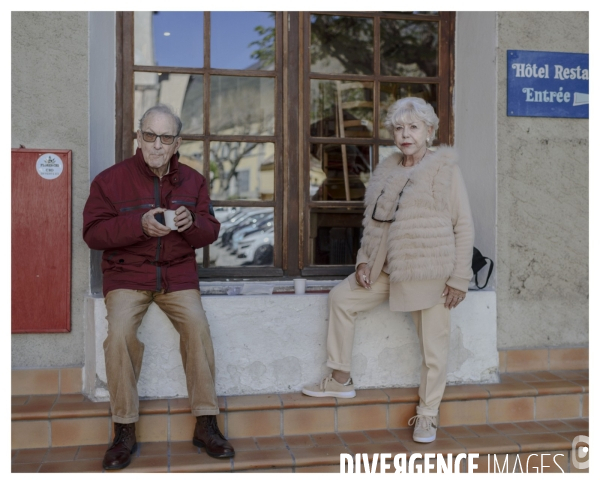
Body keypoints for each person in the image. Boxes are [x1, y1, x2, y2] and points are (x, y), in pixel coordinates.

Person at [301, 97, 474, 444]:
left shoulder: (445, 170)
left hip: (429, 274)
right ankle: (339, 379)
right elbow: (375, 225)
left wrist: (459, 278)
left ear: (429, 130)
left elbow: (464, 225)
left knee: (433, 351)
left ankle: (427, 415)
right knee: (341, 298)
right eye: (398, 128)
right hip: (386, 271)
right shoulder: (388, 169)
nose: (405, 134)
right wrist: (364, 260)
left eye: (413, 127)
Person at [83, 104, 234, 470]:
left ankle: (206, 422)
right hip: (127, 275)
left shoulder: (194, 181)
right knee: (118, 334)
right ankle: (124, 427)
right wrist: (139, 224)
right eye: (149, 135)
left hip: (177, 274)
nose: (156, 144)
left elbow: (211, 231)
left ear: (177, 142)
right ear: (138, 136)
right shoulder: (109, 180)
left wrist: (191, 222)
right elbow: (93, 234)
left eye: (165, 138)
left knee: (197, 328)